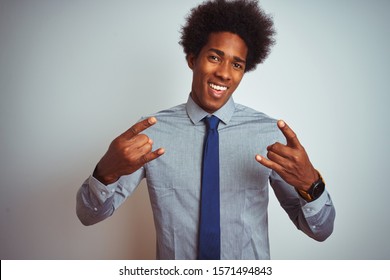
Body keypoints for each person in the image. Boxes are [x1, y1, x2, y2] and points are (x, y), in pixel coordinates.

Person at [76, 0, 335, 260]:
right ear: (192, 59)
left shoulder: (269, 134)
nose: (224, 73)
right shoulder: (151, 132)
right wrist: (104, 173)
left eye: (237, 64)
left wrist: (310, 183)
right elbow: (88, 216)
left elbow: (320, 231)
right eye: (214, 57)